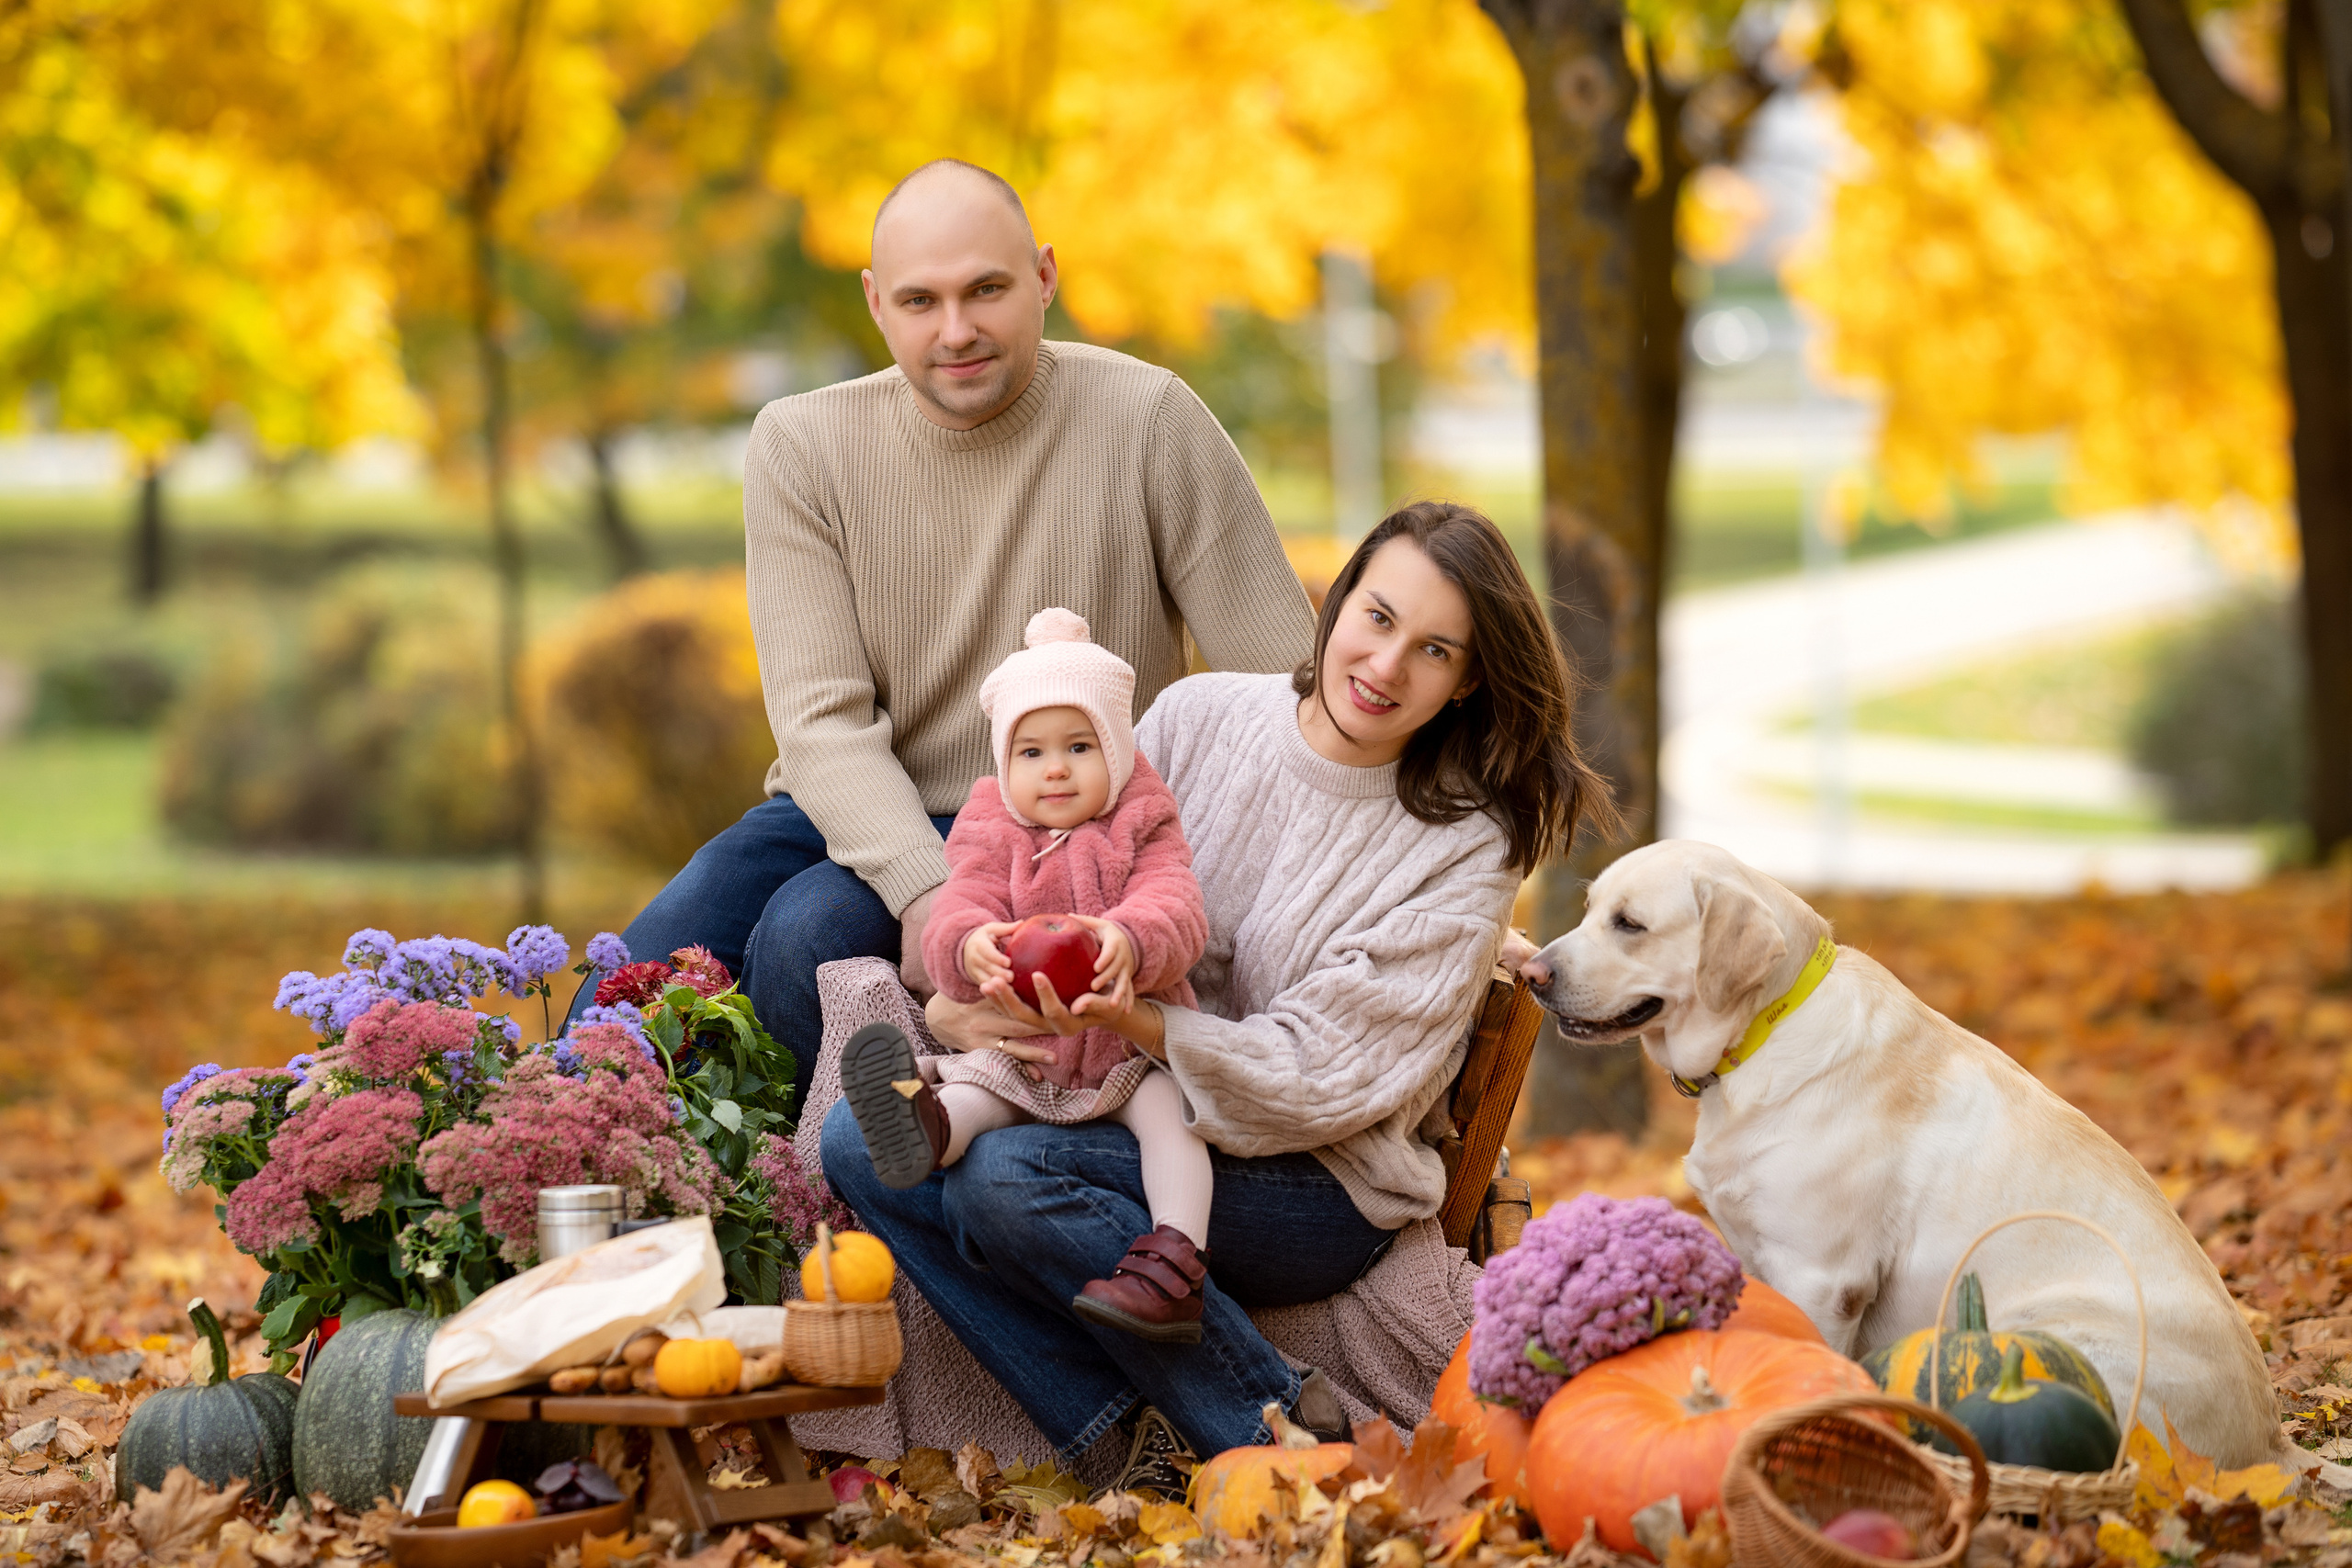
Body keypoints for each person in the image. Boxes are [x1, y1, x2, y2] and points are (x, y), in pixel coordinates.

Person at [820, 500, 1616, 1476]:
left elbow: (1328, 1077)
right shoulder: (1198, 717)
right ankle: (1122, 1441)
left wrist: (1138, 1018)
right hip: (1115, 1095)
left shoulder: (1463, 843)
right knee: (858, 1141)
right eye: (1376, 618)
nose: (1384, 667)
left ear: (1468, 682)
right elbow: (1057, 869)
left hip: (1314, 1177)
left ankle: (1279, 1432)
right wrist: (970, 993)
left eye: (1434, 651)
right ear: (1336, 606)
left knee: (1006, 1178)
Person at [571, 159, 1314, 1103]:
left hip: (1067, 811)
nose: (955, 331)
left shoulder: (1148, 420)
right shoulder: (801, 446)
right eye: (920, 301)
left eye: (987, 291)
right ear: (877, 304)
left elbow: (1287, 692)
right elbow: (823, 729)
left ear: (1045, 277)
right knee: (609, 1003)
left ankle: (839, 1219)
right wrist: (938, 922)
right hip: (857, 804)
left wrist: (1407, 854)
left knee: (807, 938)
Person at [841, 606, 1216, 1342]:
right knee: (980, 1092)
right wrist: (970, 944)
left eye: (1080, 746)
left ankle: (1174, 1261)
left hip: (1127, 1051)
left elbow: (1179, 907)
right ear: (1003, 761)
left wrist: (1129, 939)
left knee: (1176, 1118)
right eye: (1032, 751)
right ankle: (928, 1126)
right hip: (1031, 1053)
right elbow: (959, 904)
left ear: (1115, 748)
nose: (1055, 768)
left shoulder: (1143, 817)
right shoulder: (991, 827)